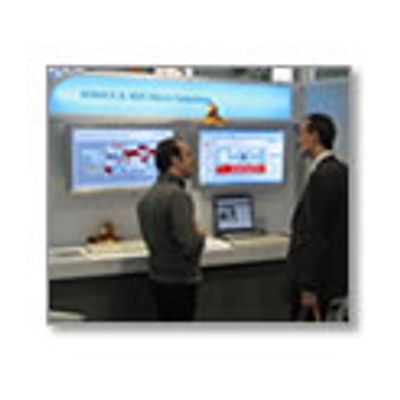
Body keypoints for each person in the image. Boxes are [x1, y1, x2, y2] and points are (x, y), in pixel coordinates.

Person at [287, 113, 348, 321]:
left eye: (302, 134)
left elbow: (317, 235)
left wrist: (309, 286)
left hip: (320, 286)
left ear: (315, 136)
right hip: (336, 280)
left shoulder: (321, 177)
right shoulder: (342, 171)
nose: (299, 140)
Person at [137, 137, 206, 321]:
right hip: (180, 282)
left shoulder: (148, 196)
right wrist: (200, 235)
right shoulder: (178, 196)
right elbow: (189, 244)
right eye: (188, 155)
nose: (192, 160)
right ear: (174, 160)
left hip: (158, 279)